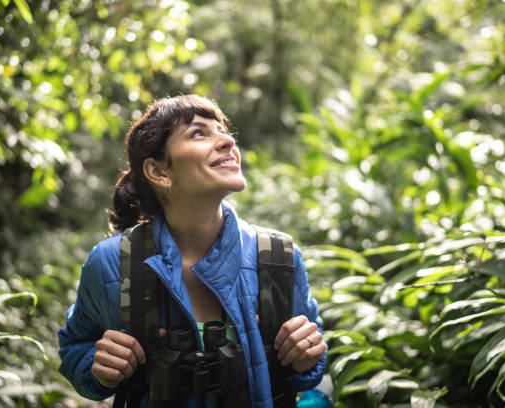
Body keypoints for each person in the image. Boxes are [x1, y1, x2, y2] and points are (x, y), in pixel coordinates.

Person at [58, 95, 327, 407]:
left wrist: (308, 355)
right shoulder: (110, 263)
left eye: (224, 131)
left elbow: (307, 366)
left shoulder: (279, 255)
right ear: (159, 172)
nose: (227, 140)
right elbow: (76, 345)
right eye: (199, 133)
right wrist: (97, 365)